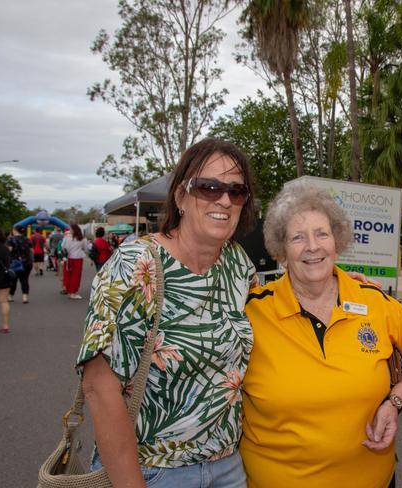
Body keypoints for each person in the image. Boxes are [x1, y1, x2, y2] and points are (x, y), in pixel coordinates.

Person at [77, 138, 256, 487]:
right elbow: (99, 386)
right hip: (151, 471)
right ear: (180, 197)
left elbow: (276, 303)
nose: (223, 199)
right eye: (208, 187)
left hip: (228, 466)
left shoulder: (238, 264)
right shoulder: (136, 264)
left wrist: (337, 284)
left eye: (236, 191)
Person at [240, 182, 402, 488]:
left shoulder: (377, 303)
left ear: (337, 241)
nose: (312, 246)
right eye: (297, 237)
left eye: (322, 234)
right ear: (281, 249)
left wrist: (394, 402)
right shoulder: (253, 312)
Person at [62, 223, 90, 299]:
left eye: (70, 229)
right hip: (78, 258)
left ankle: (69, 290)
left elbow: (63, 247)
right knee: (76, 276)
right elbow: (86, 249)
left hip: (68, 258)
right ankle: (73, 292)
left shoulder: (66, 238)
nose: (69, 230)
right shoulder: (82, 238)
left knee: (68, 275)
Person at [7, 224, 33, 304]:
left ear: (15, 230)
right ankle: (25, 297)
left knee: (13, 280)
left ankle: (10, 296)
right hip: (27, 263)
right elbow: (31, 251)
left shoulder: (11, 239)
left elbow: (9, 250)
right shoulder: (27, 239)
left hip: (15, 263)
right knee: (24, 280)